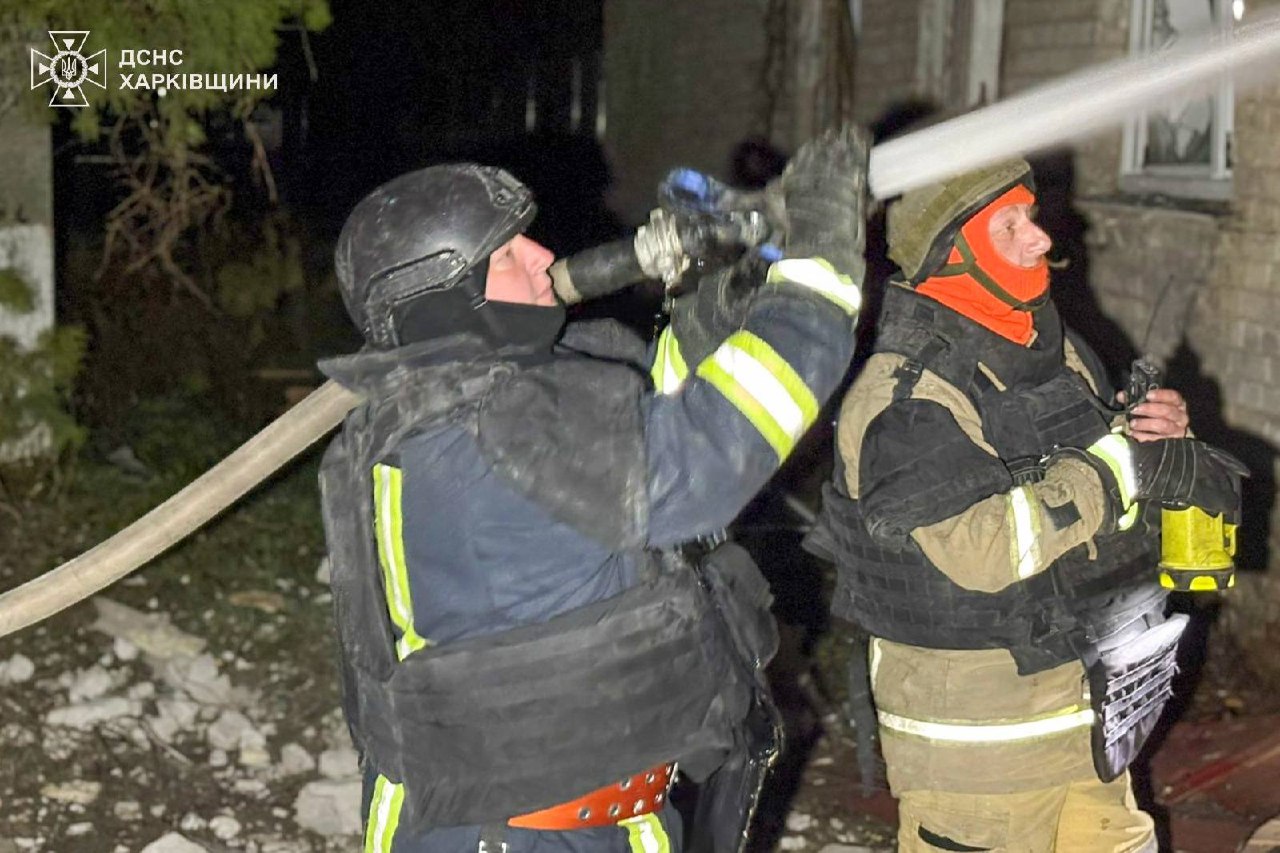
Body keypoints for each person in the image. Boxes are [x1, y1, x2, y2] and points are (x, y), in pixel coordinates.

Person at [317, 124, 869, 853]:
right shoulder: (491, 428)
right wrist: (817, 278)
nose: (545, 257)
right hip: (518, 835)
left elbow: (643, 410)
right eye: (512, 253)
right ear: (445, 296)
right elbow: (701, 461)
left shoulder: (454, 404)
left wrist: (716, 293)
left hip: (568, 813)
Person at [805, 159, 1245, 852]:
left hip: (1089, 723)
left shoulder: (1053, 352)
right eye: (1007, 227)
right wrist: (1119, 470)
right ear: (950, 257)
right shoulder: (907, 397)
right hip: (980, 765)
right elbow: (983, 549)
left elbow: (1097, 495)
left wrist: (1155, 440)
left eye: (1030, 218)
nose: (1038, 240)